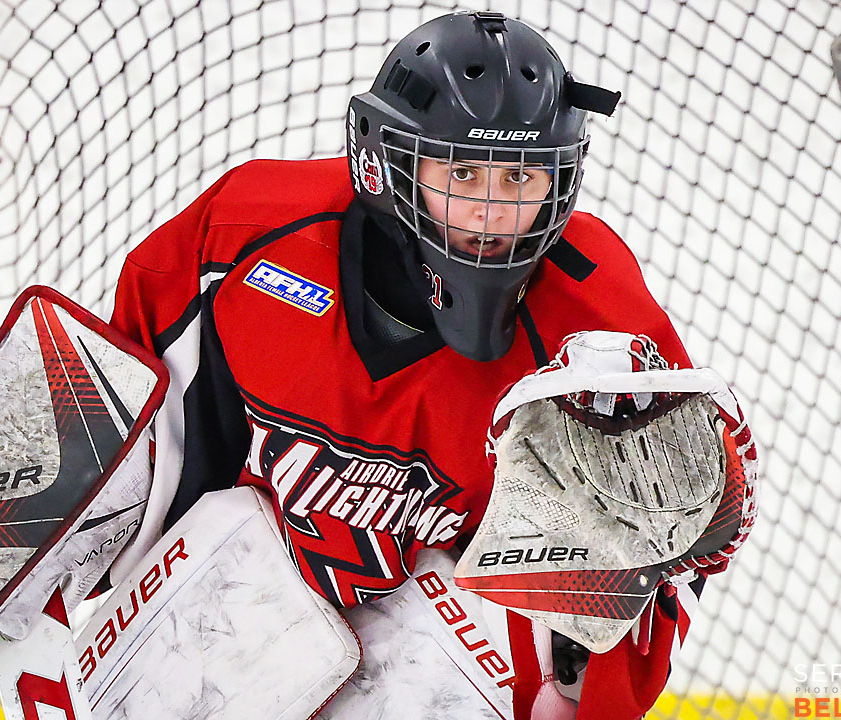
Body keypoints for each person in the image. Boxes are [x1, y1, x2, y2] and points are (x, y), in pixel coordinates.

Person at [108, 11, 749, 719]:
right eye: (464, 173)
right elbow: (134, 427)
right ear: (386, 164)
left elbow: (666, 548)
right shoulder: (246, 238)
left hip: (435, 660)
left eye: (521, 178)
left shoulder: (595, 324)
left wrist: (598, 633)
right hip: (224, 633)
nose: (490, 212)